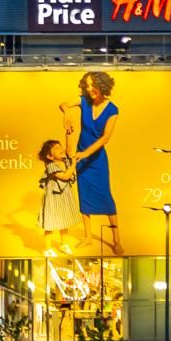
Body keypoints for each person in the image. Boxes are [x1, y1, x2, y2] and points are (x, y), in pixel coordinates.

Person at [59, 71, 121, 254]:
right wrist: (66, 116)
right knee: (84, 195)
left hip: (96, 158)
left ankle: (117, 240)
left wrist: (85, 153)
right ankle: (87, 237)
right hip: (80, 156)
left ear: (102, 85)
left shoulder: (112, 110)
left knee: (106, 197)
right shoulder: (84, 101)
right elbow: (63, 104)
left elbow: (105, 138)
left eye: (92, 84)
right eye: (86, 85)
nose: (89, 88)